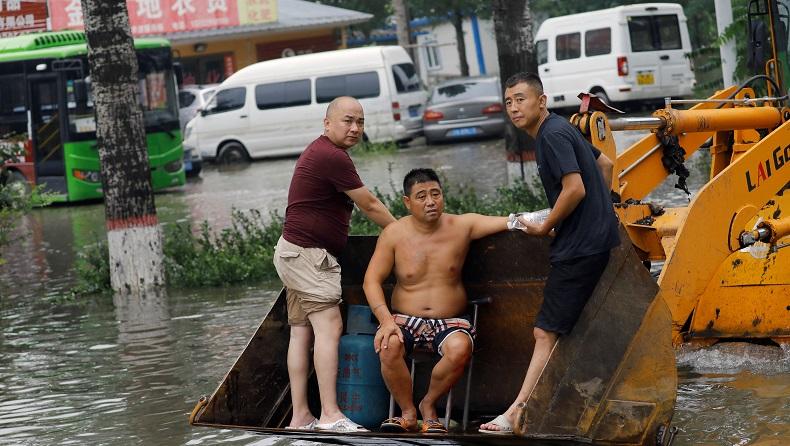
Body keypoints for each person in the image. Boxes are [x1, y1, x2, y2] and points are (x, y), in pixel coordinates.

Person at [479, 73, 620, 435]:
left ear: (541, 101)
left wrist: (546, 226)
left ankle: (517, 412)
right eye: (508, 101)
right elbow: (605, 165)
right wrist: (599, 215)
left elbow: (574, 189)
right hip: (593, 241)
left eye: (521, 99)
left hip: (579, 249)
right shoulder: (559, 128)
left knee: (545, 332)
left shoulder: (551, 135)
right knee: (562, 331)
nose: (514, 107)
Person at [273, 96, 396, 433]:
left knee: (301, 333)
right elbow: (370, 204)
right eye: (347, 120)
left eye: (360, 122)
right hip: (309, 256)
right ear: (327, 124)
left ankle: (301, 416)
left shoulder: (323, 151)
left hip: (292, 253)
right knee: (329, 329)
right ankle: (329, 415)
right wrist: (403, 233)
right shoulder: (332, 155)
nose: (355, 128)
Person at [363, 168, 514, 434]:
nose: (430, 201)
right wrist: (385, 321)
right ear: (407, 202)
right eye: (421, 196)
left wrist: (549, 223)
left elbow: (511, 221)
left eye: (436, 194)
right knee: (388, 344)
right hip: (404, 319)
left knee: (460, 348)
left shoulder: (462, 225)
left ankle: (429, 405)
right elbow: (371, 281)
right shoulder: (394, 233)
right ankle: (408, 413)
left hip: (450, 320)